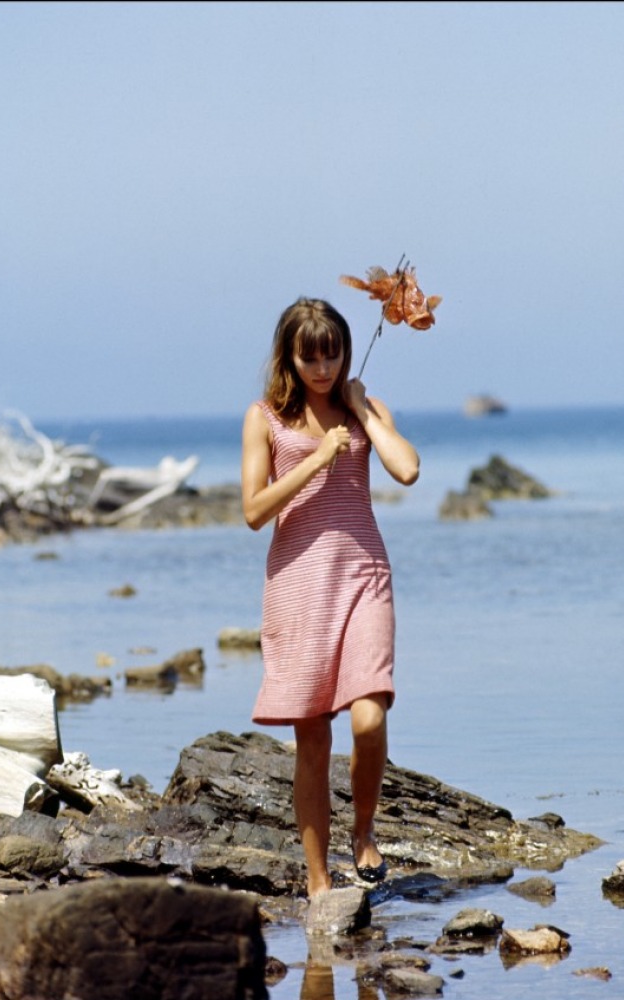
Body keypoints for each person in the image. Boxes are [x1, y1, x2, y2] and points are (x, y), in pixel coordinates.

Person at [241, 297, 420, 899]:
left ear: (345, 352)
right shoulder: (264, 418)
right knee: (312, 736)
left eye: (333, 354)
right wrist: (317, 458)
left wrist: (363, 410)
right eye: (310, 357)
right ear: (290, 357)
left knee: (370, 718)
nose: (323, 368)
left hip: (365, 573)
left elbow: (408, 469)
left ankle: (363, 832)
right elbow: (253, 511)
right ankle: (319, 882)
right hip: (298, 585)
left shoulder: (361, 407)